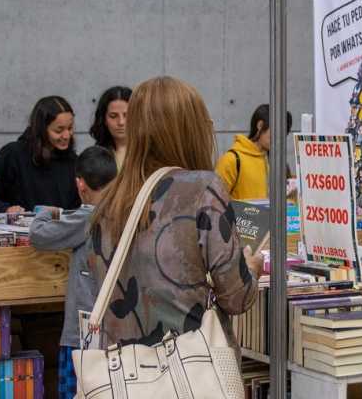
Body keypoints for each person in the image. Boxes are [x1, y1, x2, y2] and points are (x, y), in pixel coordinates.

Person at [89, 76, 264, 348]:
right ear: (190, 130)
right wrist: (251, 269)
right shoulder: (202, 189)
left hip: (121, 365)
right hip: (188, 363)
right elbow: (236, 298)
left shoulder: (109, 200)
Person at [28, 146, 116, 399]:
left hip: (83, 331)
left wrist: (47, 213)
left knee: (76, 390)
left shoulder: (87, 217)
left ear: (80, 184)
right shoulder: (124, 213)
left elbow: (38, 235)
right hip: (117, 327)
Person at [0, 96, 81, 210]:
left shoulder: (73, 161)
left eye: (70, 128)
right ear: (42, 129)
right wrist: (6, 209)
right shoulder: (13, 155)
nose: (66, 136)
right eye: (59, 130)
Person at [215, 103, 292, 200]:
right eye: (276, 132)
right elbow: (214, 202)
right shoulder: (231, 160)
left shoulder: (278, 164)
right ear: (260, 125)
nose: (279, 139)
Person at [90, 86, 132, 170]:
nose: (121, 122)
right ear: (103, 119)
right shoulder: (95, 157)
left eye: (127, 115)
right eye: (113, 116)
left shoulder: (149, 154)